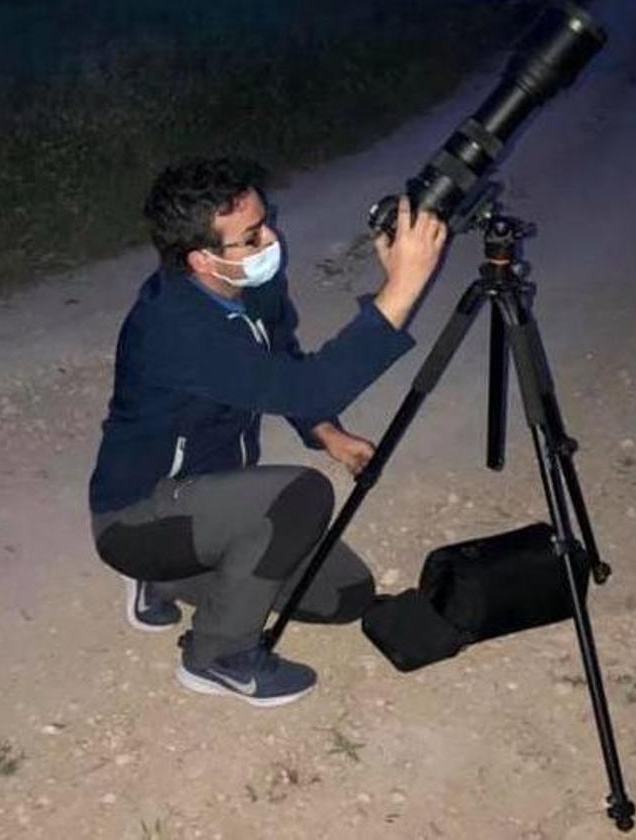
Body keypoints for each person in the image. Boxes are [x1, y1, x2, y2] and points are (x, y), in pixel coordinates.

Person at [88, 157, 448, 707]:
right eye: (251, 236)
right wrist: (403, 288)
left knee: (345, 596)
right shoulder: (177, 329)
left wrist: (324, 432)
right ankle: (216, 656)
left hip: (210, 501)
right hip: (139, 517)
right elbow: (311, 387)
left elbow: (282, 364)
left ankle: (166, 580)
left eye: (266, 221)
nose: (271, 240)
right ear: (201, 260)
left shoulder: (248, 287)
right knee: (300, 497)